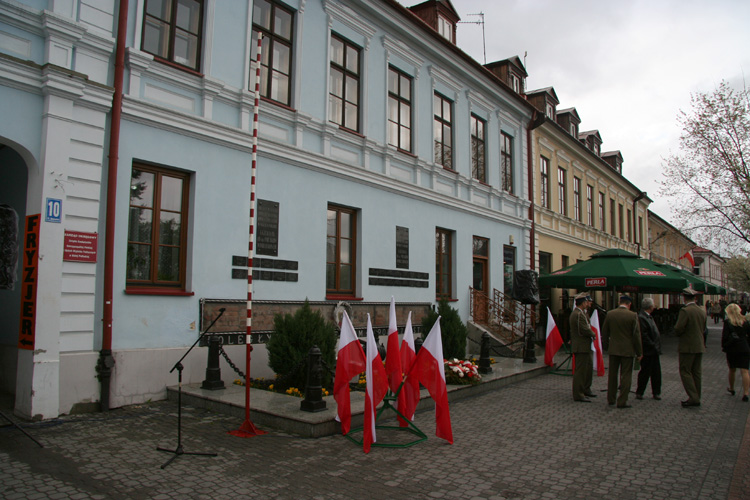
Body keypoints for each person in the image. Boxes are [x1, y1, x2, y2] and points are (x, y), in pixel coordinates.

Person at [602, 295, 642, 408]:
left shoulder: (610, 314)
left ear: (619, 302)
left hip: (614, 349)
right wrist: (639, 352)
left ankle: (611, 398)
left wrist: (607, 346)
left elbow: (604, 333)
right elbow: (636, 336)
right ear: (629, 304)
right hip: (628, 350)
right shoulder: (633, 315)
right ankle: (622, 400)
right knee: (626, 375)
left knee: (612, 375)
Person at [674, 288, 707, 408]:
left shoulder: (685, 311)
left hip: (687, 346)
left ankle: (693, 397)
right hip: (699, 344)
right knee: (696, 372)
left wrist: (679, 333)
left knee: (685, 371)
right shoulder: (701, 310)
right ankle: (697, 395)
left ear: (684, 298)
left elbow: (678, 328)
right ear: (695, 298)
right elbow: (703, 328)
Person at [570, 292, 596, 402]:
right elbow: (584, 329)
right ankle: (578, 394)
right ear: (582, 303)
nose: (587, 303)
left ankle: (584, 390)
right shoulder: (578, 314)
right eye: (586, 302)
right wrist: (593, 334)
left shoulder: (580, 313)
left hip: (583, 346)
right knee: (580, 372)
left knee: (585, 369)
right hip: (581, 346)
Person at [721, 303, 750, 402]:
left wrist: (724, 346)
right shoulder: (745, 321)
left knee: (732, 369)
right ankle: (746, 393)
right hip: (744, 348)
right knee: (745, 371)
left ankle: (732, 388)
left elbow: (725, 336)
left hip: (732, 348)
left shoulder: (728, 322)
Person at [635, 298, 662, 400]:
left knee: (656, 372)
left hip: (653, 350)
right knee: (645, 372)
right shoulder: (642, 318)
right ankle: (640, 391)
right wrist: (653, 346)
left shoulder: (648, 317)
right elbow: (644, 336)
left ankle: (656, 392)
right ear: (650, 307)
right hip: (648, 351)